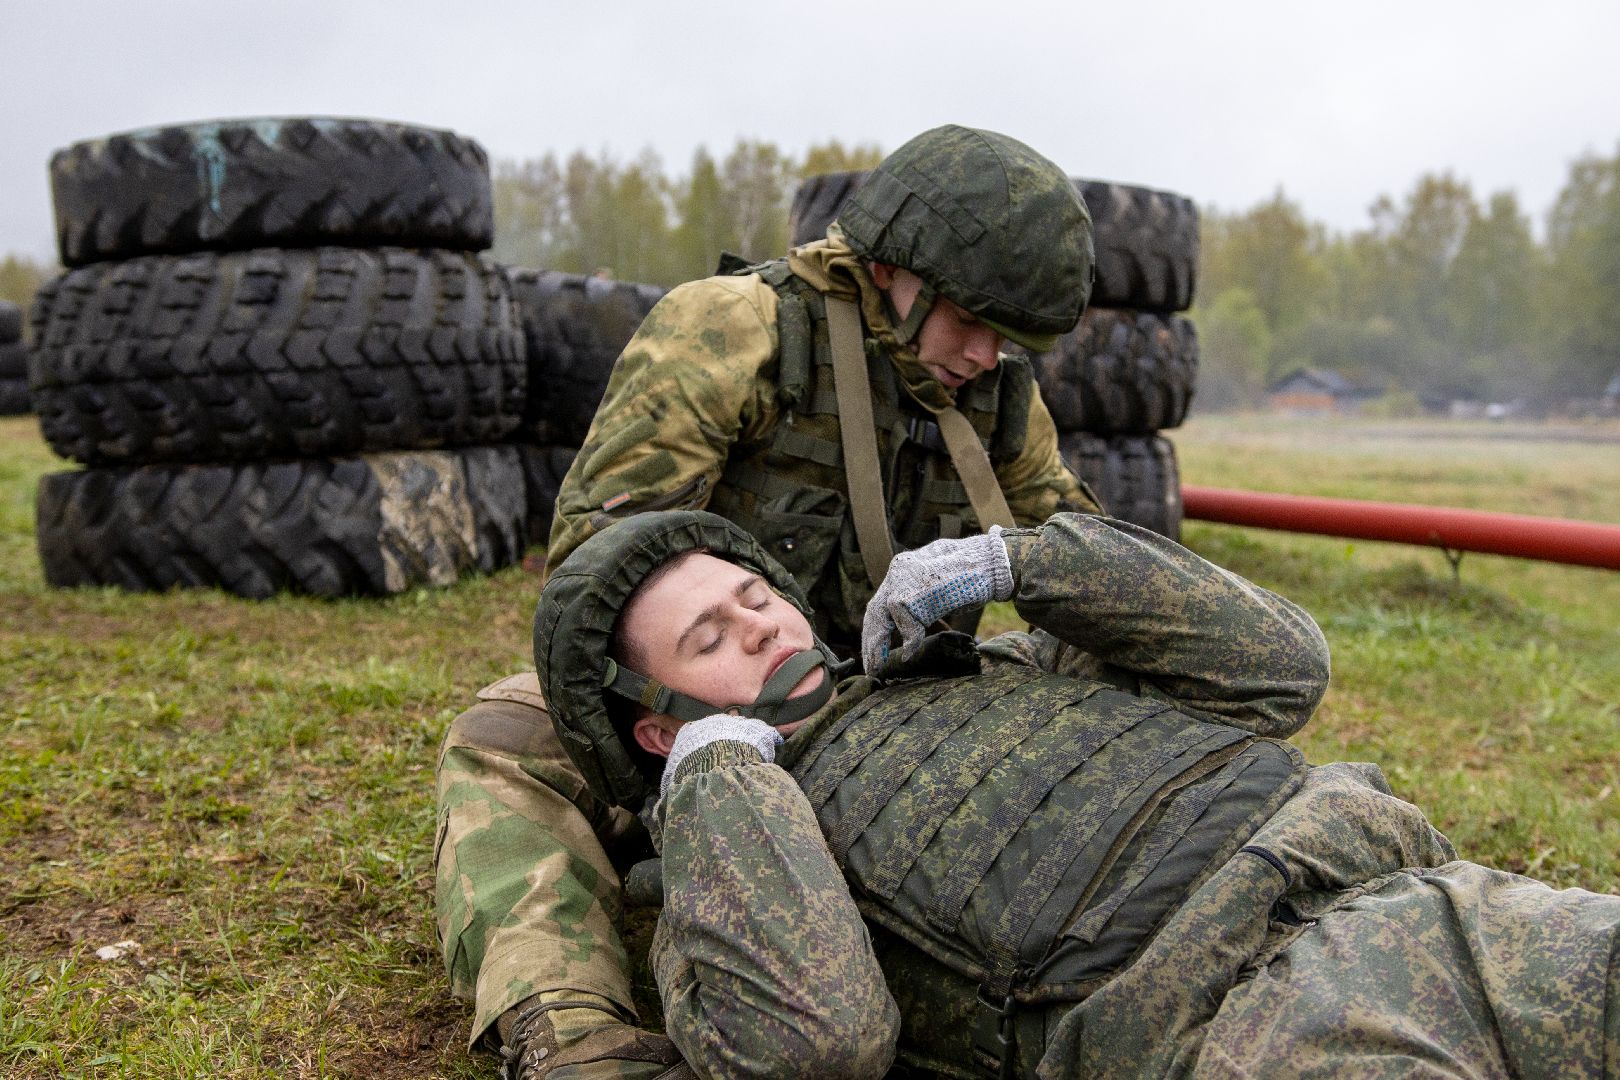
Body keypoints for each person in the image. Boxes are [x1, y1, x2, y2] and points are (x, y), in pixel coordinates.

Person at [436, 124, 1104, 1074]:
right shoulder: (734, 329)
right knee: (510, 737)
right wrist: (700, 722)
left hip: (908, 719)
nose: (985, 352)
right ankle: (573, 1036)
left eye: (1011, 335)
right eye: (969, 317)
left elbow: (1090, 558)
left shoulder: (996, 397)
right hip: (724, 722)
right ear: (890, 268)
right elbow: (603, 574)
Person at [532, 509, 1620, 1079]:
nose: (765, 626)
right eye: (709, 638)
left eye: (756, 594)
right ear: (658, 723)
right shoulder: (726, 880)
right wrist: (721, 776)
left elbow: (1282, 665)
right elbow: (817, 1045)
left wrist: (1018, 565)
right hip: (1257, 1026)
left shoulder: (997, 670)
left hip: (1435, 903)